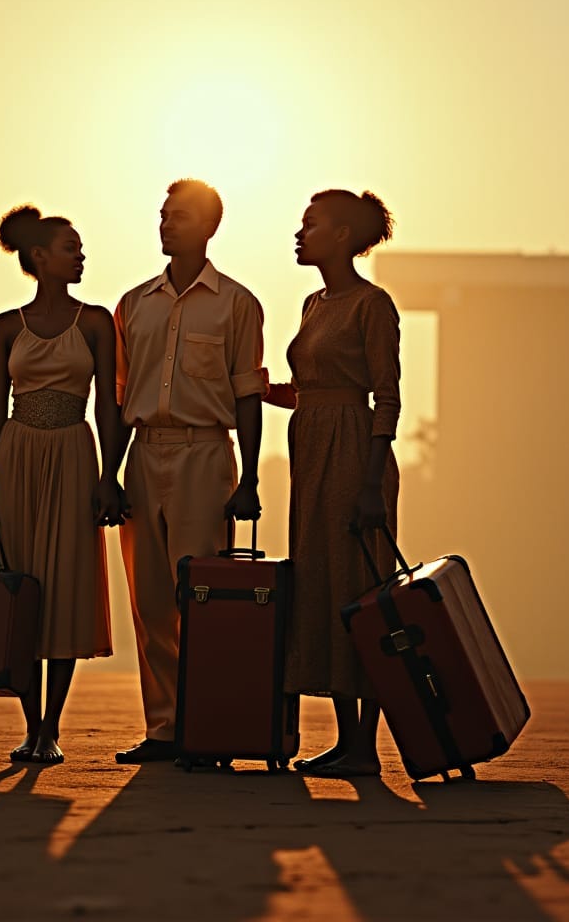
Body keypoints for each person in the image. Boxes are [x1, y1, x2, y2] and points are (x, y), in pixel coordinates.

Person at [112, 179, 266, 764]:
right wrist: (111, 473)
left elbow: (247, 393)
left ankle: (206, 725)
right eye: (162, 214)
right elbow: (122, 394)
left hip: (206, 454)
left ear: (208, 227)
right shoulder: (134, 304)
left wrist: (249, 477)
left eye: (178, 216)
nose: (165, 224)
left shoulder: (237, 304)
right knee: (150, 599)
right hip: (144, 453)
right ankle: (165, 729)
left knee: (200, 598)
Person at [0, 205, 122, 765]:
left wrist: (111, 474)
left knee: (65, 587)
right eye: (70, 247)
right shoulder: (7, 325)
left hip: (74, 454)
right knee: (20, 589)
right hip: (16, 455)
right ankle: (29, 723)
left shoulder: (97, 321)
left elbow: (110, 404)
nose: (80, 256)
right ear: (39, 257)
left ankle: (51, 727)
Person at [263, 188, 400, 778]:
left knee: (356, 586)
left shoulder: (372, 304)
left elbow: (384, 397)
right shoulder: (314, 304)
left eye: (311, 224)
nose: (300, 233)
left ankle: (365, 743)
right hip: (311, 447)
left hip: (353, 455)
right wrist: (270, 395)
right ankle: (348, 741)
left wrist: (371, 485)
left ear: (342, 236)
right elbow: (314, 388)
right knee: (320, 581)